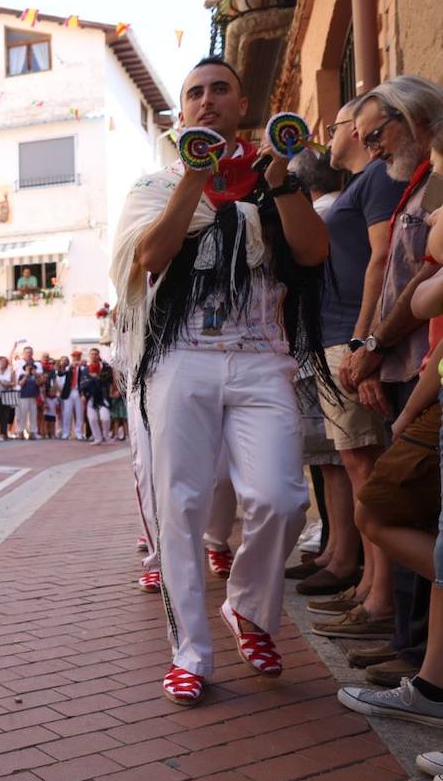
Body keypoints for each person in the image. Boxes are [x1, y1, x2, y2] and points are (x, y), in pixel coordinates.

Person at [111, 56, 331, 706]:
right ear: (181, 114)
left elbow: (313, 253)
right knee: (178, 507)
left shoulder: (274, 179)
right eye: (194, 94)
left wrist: (281, 180)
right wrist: (195, 180)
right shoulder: (156, 183)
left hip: (262, 357)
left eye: (220, 91)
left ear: (242, 106)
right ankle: (191, 651)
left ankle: (249, 610)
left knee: (282, 499)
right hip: (181, 357)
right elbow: (149, 257)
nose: (206, 101)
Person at [345, 77, 443, 679]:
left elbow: (415, 285)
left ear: (415, 117)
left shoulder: (432, 183)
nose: (372, 148)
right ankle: (414, 652)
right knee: (402, 509)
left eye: (376, 133)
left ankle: (416, 655)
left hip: (420, 363)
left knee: (394, 507)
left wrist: (373, 344)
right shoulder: (416, 180)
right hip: (417, 365)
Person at [296, 99, 404, 614]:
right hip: (338, 335)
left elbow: (383, 258)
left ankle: (377, 596)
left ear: (357, 132)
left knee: (366, 467)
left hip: (350, 336)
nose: (329, 137)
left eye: (335, 127)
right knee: (357, 462)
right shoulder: (364, 184)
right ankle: (368, 588)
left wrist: (364, 341)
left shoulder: (377, 179)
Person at [59, 348, 85, 440]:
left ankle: (79, 432)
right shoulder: (68, 367)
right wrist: (70, 367)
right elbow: (60, 373)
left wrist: (81, 365)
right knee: (67, 413)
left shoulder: (83, 367)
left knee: (79, 413)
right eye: (74, 357)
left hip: (78, 392)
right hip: (69, 392)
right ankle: (66, 432)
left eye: (77, 357)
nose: (75, 359)